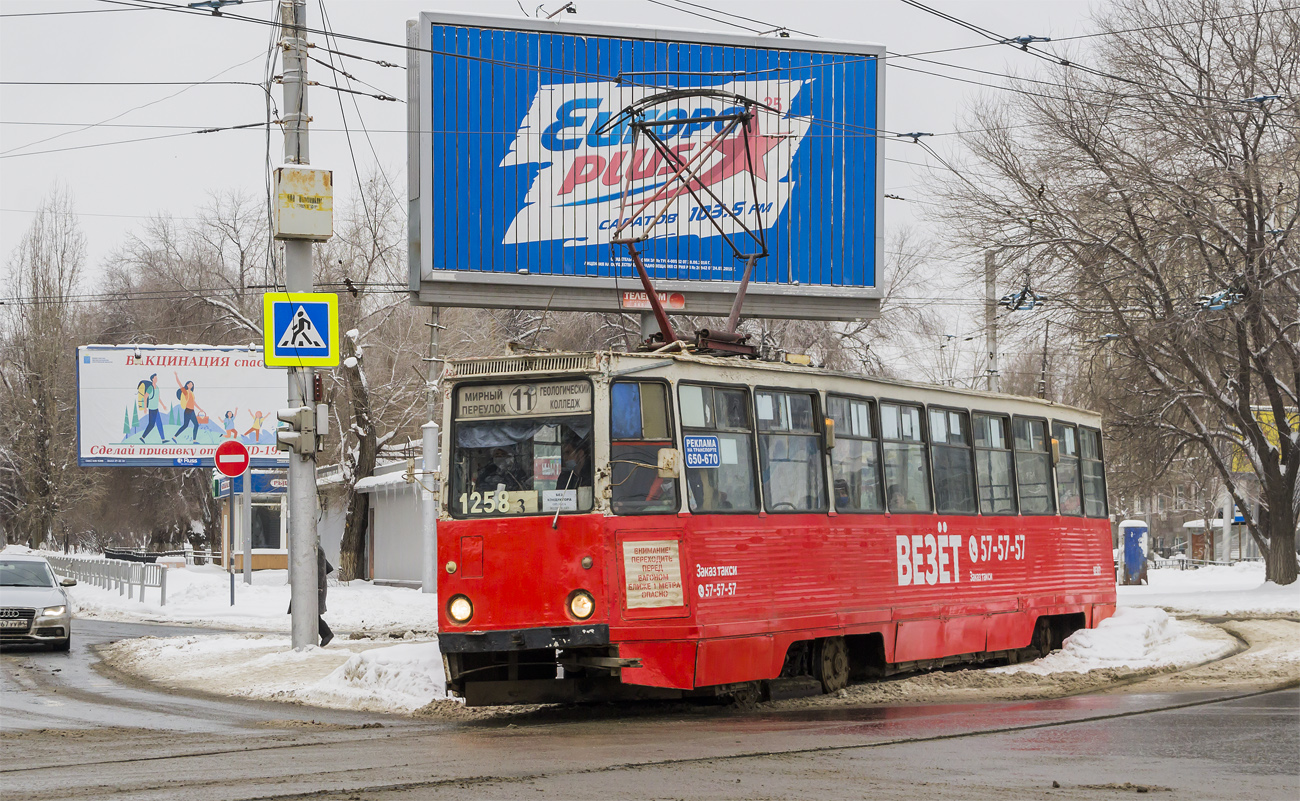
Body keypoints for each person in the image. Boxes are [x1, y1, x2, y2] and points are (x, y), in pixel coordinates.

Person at [171, 371, 208, 443]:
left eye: (192, 384)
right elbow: (179, 384)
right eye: (189, 384)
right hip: (188, 410)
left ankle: (176, 437)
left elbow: (193, 402)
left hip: (192, 410)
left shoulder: (192, 393)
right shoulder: (185, 392)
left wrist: (200, 409)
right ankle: (176, 437)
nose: (191, 385)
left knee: (191, 425)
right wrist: (176, 375)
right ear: (187, 385)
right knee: (188, 425)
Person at [138, 373, 168, 442]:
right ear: (152, 379)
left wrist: (163, 405)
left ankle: (163, 439)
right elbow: (145, 397)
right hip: (151, 409)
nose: (156, 379)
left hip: (156, 409)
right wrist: (145, 408)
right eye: (155, 378)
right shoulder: (150, 388)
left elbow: (158, 398)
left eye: (156, 378)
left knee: (159, 424)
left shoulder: (157, 387)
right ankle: (142, 437)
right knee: (151, 425)